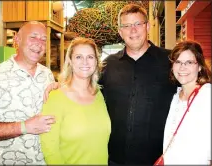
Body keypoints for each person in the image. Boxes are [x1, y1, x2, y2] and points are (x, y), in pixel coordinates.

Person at [44, 4, 176, 165]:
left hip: (156, 160)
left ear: (147, 26)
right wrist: (59, 85)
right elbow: (83, 81)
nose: (132, 30)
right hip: (114, 160)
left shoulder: (170, 62)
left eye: (138, 24)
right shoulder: (108, 65)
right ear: (120, 32)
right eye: (126, 26)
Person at [0, 21, 56, 165]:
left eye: (43, 39)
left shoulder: (47, 74)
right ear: (17, 40)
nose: (39, 43)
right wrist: (24, 127)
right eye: (33, 37)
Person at [40, 37, 111, 165]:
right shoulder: (55, 98)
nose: (85, 62)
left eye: (90, 57)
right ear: (70, 62)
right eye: (78, 57)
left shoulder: (99, 94)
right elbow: (50, 150)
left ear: (96, 61)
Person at [162, 40, 211, 164]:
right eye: (178, 62)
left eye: (189, 62)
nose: (182, 67)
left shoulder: (206, 95)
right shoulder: (175, 97)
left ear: (200, 66)